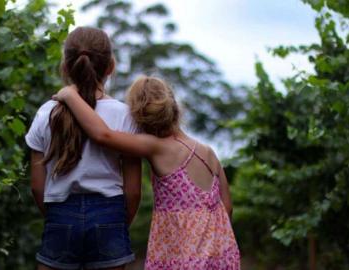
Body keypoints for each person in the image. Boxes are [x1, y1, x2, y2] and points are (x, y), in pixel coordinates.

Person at [52, 76, 241, 270]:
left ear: (139, 116)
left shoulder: (156, 147)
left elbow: (103, 135)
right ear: (173, 105)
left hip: (180, 255)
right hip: (221, 254)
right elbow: (226, 207)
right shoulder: (208, 152)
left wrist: (69, 96)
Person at [25, 27, 142, 270]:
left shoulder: (46, 112)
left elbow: (37, 186)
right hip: (109, 213)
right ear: (110, 66)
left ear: (65, 67)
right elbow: (133, 191)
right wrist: (119, 223)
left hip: (59, 211)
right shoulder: (125, 115)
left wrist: (58, 219)